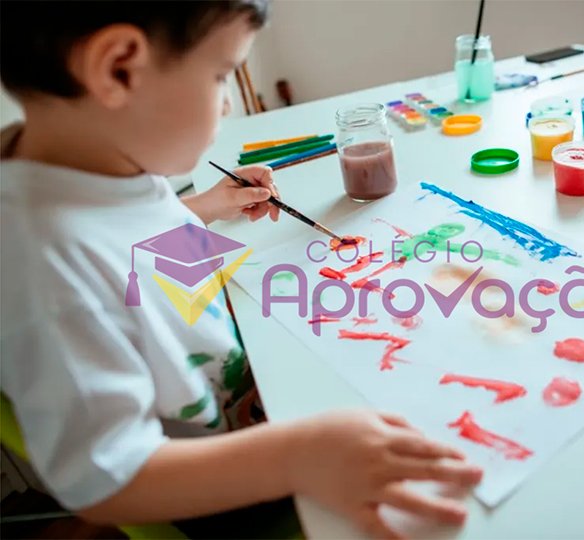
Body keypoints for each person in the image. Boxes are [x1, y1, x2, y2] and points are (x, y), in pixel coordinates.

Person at [0, 2, 482, 537]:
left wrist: (205, 207)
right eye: (220, 75)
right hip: (229, 487)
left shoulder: (96, 160)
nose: (228, 102)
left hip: (260, 399)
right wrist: (298, 456)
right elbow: (107, 480)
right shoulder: (41, 266)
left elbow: (125, 237)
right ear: (118, 69)